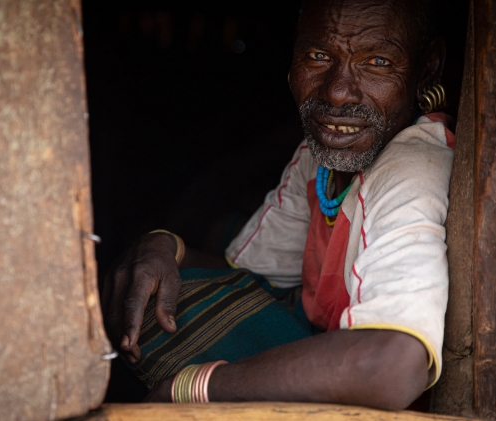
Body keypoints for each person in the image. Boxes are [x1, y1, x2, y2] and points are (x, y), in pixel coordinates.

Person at [102, 0, 454, 410]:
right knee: (152, 295)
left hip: (379, 398)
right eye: (319, 56)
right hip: (335, 358)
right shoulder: (319, 158)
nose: (338, 92)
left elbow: (391, 366)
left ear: (426, 68)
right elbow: (244, 277)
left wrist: (195, 388)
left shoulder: (413, 169)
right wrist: (164, 247)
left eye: (377, 61)